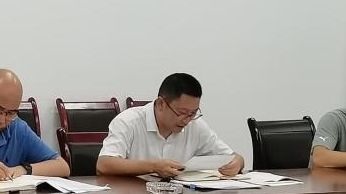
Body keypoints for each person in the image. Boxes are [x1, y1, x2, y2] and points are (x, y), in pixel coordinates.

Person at [97, 73, 244, 178]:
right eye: (182, 113)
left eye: (193, 113)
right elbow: (104, 165)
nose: (186, 120)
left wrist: (238, 163)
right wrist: (153, 167)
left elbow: (233, 157)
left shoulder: (196, 125)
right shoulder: (128, 121)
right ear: (161, 104)